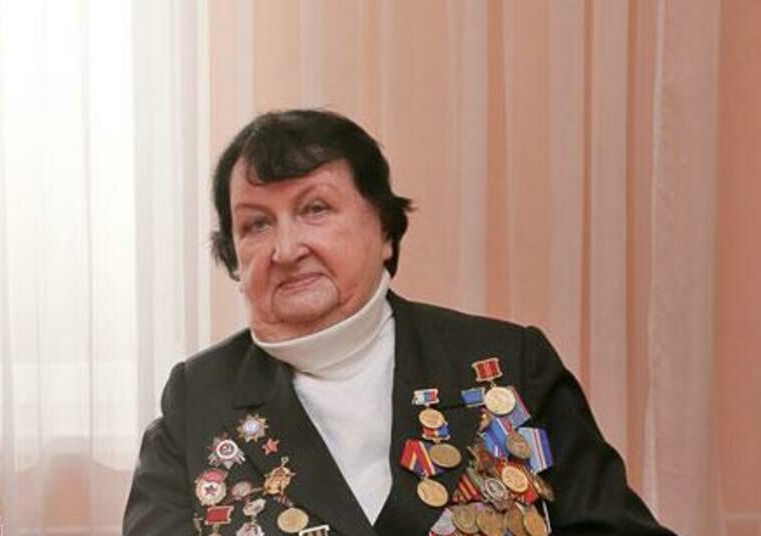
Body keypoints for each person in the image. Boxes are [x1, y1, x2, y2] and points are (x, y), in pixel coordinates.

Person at [123, 110, 673, 536]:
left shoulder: (510, 364)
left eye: (315, 209)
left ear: (385, 230)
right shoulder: (197, 400)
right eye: (256, 225)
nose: (286, 249)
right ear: (234, 257)